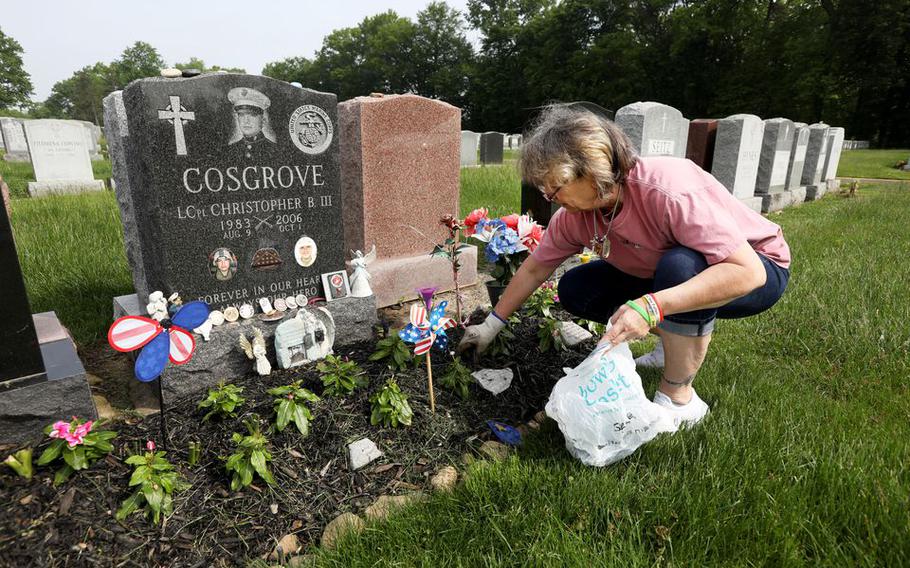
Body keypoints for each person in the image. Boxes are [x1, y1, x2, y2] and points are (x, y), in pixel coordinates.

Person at [457, 105, 791, 427]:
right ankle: (673, 344)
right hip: (664, 272)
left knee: (680, 265)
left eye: (555, 187)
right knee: (576, 289)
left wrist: (650, 307)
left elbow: (749, 272)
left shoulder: (666, 189)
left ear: (592, 167)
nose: (550, 197)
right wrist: (491, 325)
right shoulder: (576, 216)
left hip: (755, 266)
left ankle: (679, 398)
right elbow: (534, 268)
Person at [227, 87, 276, 160]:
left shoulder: (275, 150)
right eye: (241, 115)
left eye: (252, 115)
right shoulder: (229, 151)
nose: (246, 120)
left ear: (263, 120)